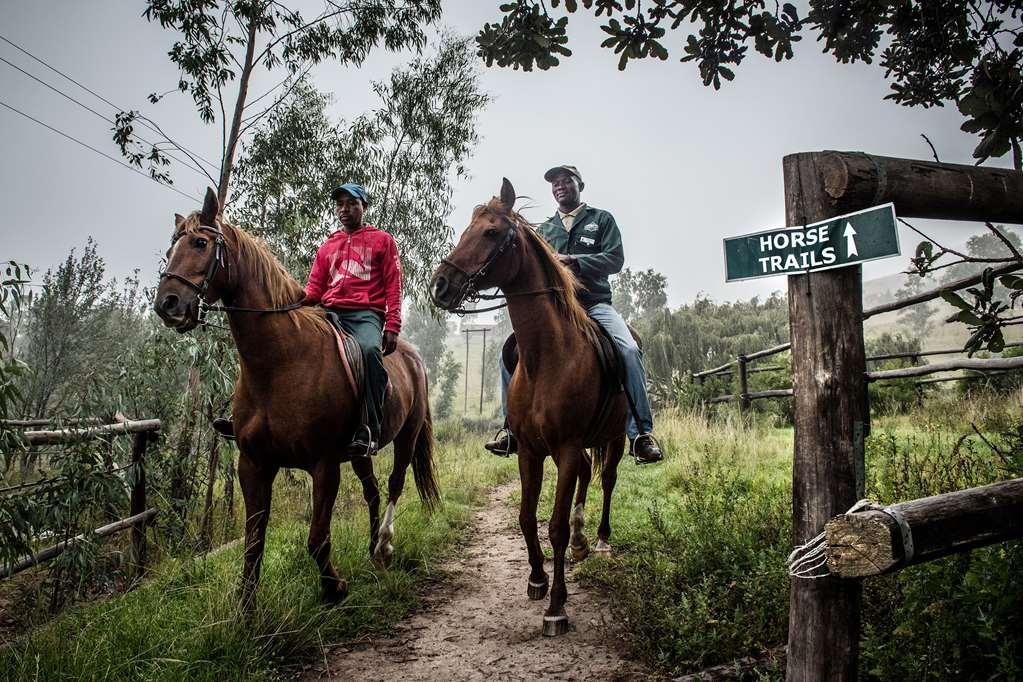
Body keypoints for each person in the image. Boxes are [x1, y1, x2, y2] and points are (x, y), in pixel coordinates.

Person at [484, 165, 663, 464]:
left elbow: (615, 259)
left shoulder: (601, 220)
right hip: (556, 311)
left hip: (594, 306)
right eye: (554, 183)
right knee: (509, 353)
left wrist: (575, 261)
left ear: (580, 184)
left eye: (566, 181)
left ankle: (641, 434)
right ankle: (512, 430)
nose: (559, 186)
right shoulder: (545, 230)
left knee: (630, 350)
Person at [213, 182, 402, 457]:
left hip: (364, 315)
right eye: (340, 204)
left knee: (371, 351)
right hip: (327, 311)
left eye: (352, 203)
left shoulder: (383, 241)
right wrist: (287, 304)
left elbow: (393, 286)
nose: (345, 209)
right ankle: (243, 414)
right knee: (273, 343)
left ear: (364, 206)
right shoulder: (329, 245)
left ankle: (369, 427)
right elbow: (315, 289)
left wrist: (393, 325)